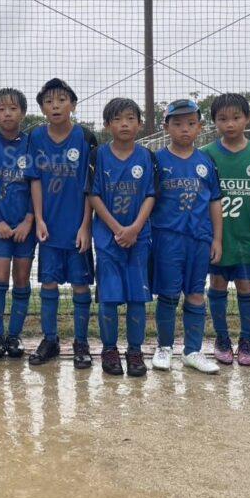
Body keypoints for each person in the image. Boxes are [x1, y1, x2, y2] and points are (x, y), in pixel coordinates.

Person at [25, 78, 97, 369]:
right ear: (42, 108)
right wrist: (39, 219)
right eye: (49, 102)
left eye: (61, 100)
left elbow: (91, 187)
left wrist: (86, 226)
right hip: (49, 226)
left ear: (73, 105)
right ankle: (50, 339)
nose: (55, 106)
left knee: (80, 285)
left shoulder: (86, 138)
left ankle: (81, 342)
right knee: (48, 283)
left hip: (77, 227)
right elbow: (35, 180)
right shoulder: (35, 137)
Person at [150, 99, 223, 374]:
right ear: (166, 127)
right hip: (167, 238)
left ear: (200, 127)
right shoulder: (157, 160)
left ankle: (193, 351)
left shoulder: (206, 161)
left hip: (199, 238)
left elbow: (215, 201)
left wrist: (217, 239)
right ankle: (164, 347)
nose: (185, 129)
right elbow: (148, 201)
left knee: (195, 293)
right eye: (178, 124)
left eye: (191, 124)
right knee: (168, 295)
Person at [88, 98, 157, 378]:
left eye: (130, 118)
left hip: (139, 238)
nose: (124, 124)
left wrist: (135, 228)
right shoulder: (98, 156)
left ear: (139, 124)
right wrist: (118, 228)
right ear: (107, 125)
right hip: (108, 239)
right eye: (117, 119)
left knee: (137, 297)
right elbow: (93, 195)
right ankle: (109, 350)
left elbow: (151, 194)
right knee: (109, 296)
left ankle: (135, 351)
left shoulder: (147, 156)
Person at [202, 93, 250, 366]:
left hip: (246, 236)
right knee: (217, 284)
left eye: (236, 118)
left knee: (245, 286)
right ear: (214, 122)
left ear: (247, 119)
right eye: (222, 119)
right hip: (217, 237)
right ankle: (222, 338)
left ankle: (247, 340)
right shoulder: (207, 154)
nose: (229, 124)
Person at [0, 88, 35, 359]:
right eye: (1, 109)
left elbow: (37, 184)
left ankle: (14, 336)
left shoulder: (32, 143)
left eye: (13, 108)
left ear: (22, 112)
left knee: (21, 278)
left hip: (26, 225)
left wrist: (29, 220)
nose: (7, 114)